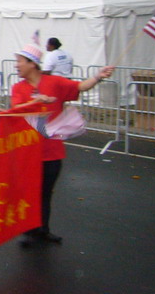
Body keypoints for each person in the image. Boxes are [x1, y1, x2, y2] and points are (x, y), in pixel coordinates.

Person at [11, 40, 114, 246]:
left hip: (51, 151)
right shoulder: (18, 88)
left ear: (32, 63)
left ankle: (43, 229)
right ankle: (31, 230)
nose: (16, 65)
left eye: (20, 61)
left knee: (46, 192)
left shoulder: (55, 83)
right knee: (30, 192)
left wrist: (98, 77)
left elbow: (79, 87)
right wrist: (37, 101)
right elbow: (16, 111)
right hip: (28, 151)